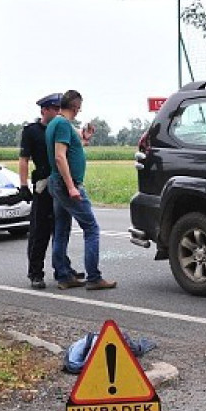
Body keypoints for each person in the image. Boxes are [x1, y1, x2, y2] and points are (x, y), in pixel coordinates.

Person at [46, 90, 117, 290]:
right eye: (79, 107)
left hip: (58, 183)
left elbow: (70, 151)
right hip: (66, 184)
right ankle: (94, 277)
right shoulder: (62, 124)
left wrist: (83, 141)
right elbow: (60, 156)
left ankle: (63, 276)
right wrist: (71, 187)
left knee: (61, 230)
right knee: (91, 229)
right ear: (76, 106)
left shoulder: (56, 124)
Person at [18, 93, 83, 289]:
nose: (57, 112)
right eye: (54, 109)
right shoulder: (32, 131)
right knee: (40, 231)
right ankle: (35, 273)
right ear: (44, 110)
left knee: (61, 228)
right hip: (43, 185)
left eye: (59, 108)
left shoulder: (60, 127)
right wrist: (23, 185)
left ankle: (62, 268)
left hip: (60, 183)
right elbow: (24, 159)